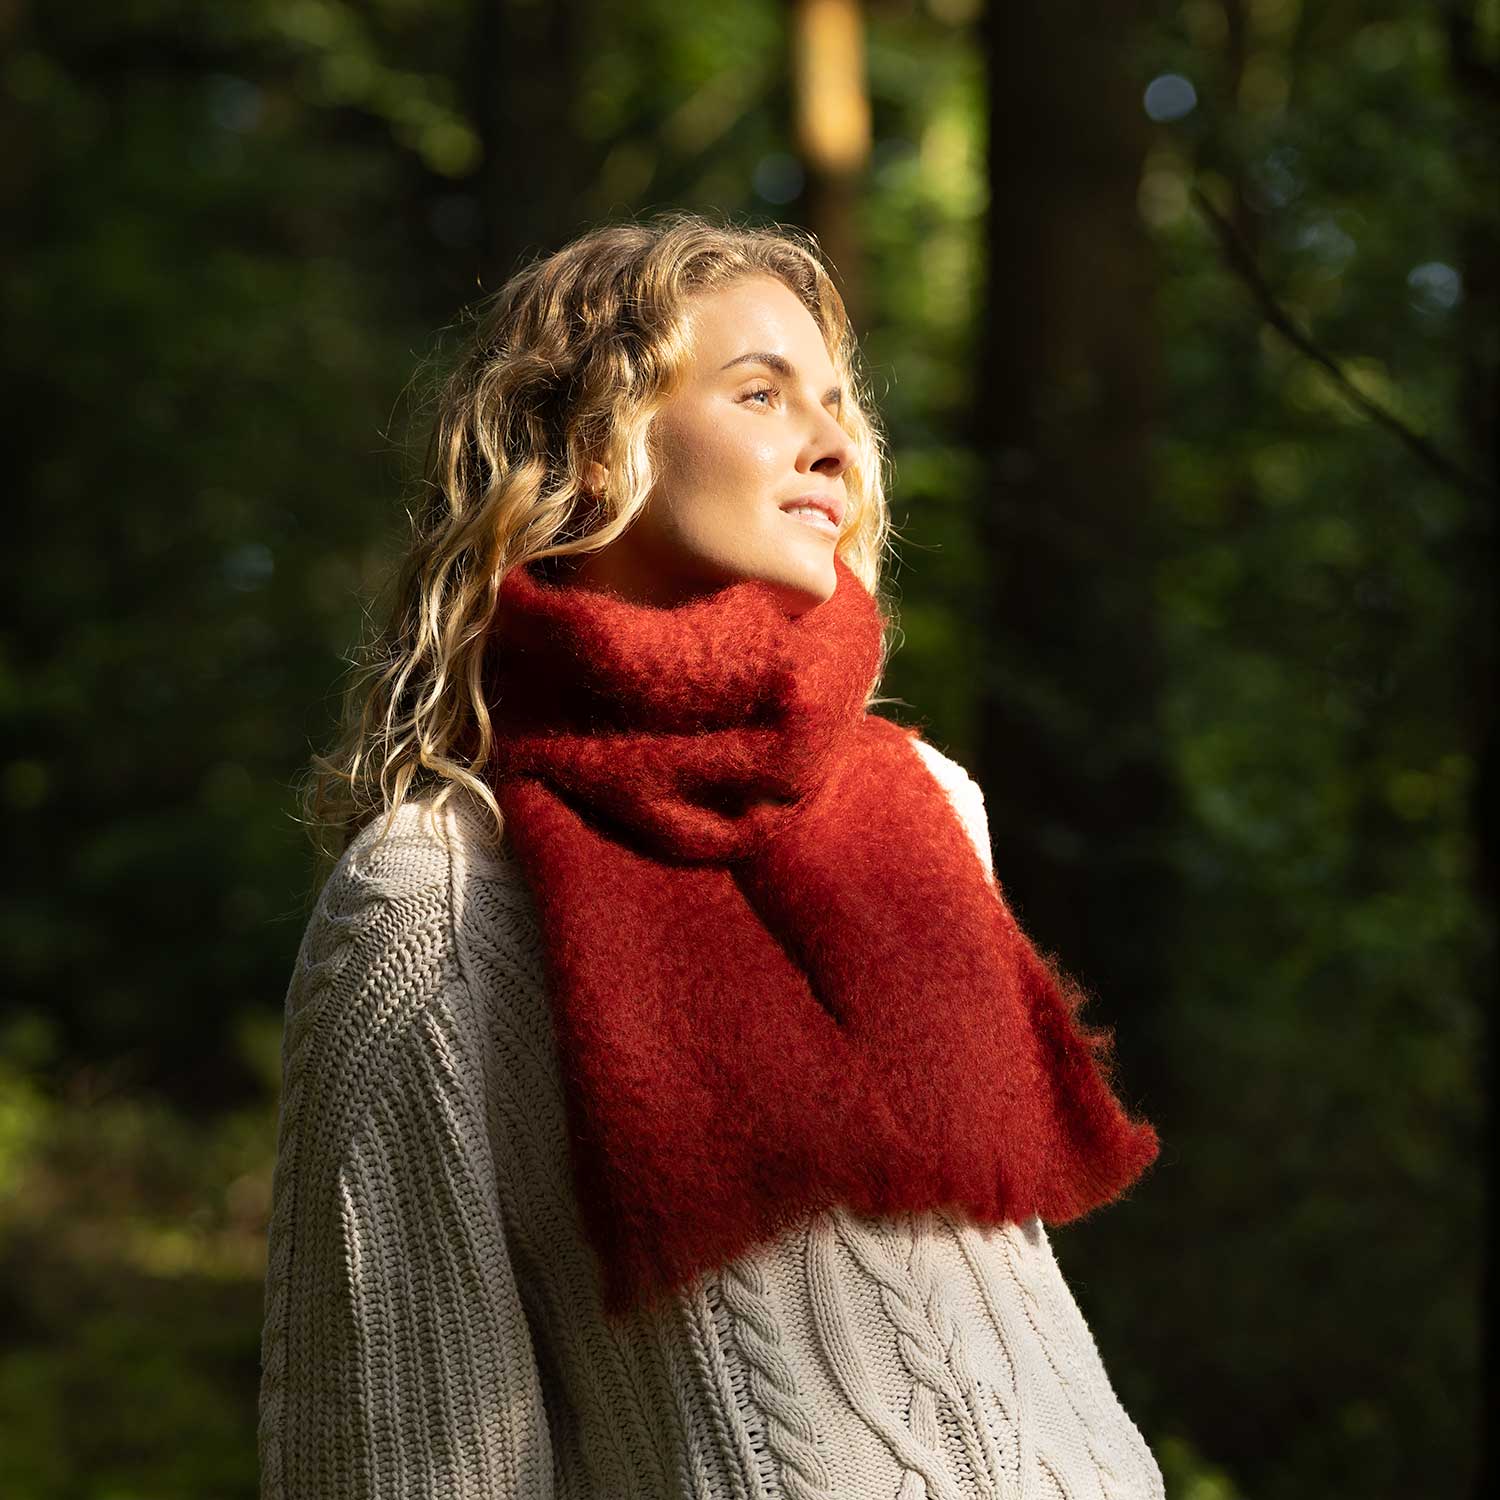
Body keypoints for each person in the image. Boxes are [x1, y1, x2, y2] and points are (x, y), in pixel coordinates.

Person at [257, 210, 1165, 1499]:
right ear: (591, 447)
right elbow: (394, 1453)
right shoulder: (435, 898)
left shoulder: (923, 803)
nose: (834, 442)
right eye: (759, 391)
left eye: (841, 404)